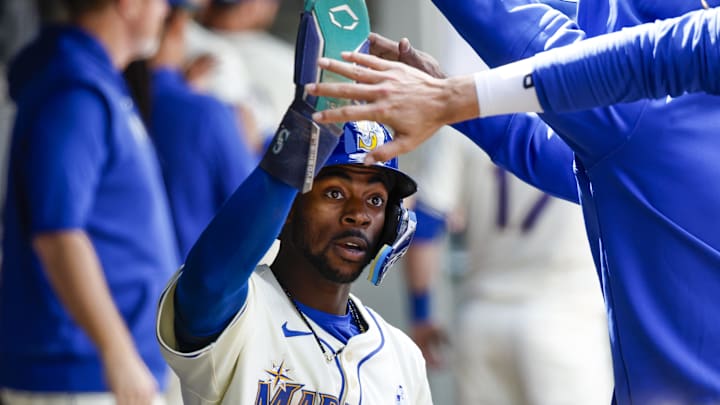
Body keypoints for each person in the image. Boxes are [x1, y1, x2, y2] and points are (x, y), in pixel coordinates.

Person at [307, 1, 720, 403]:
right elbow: (537, 148)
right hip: (560, 328)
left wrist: (453, 97)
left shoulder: (643, 121)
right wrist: (448, 95)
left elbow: (513, 25)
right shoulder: (669, 133)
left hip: (497, 316)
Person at [401, 13, 613, 403]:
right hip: (566, 321)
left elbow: (426, 223)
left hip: (483, 319)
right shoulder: (594, 111)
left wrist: (421, 313)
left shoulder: (476, 110)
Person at [0, 0, 178, 404]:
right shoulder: (74, 90)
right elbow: (58, 234)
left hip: (100, 368)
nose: (166, 11)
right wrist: (116, 352)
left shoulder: (96, 81)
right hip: (79, 370)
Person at [125, 0, 256, 258]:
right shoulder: (206, 113)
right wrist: (252, 144)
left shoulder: (117, 94)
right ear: (177, 26)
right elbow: (253, 205)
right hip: (191, 282)